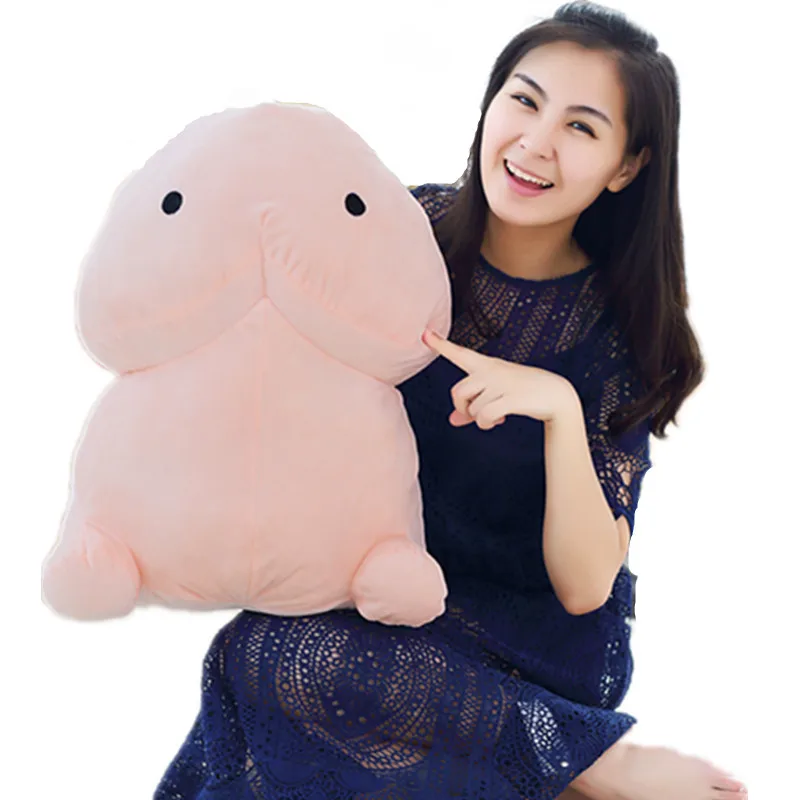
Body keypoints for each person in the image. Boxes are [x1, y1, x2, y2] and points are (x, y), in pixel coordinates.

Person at [156, 3, 748, 798]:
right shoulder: (398, 231)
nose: (536, 143)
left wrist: (559, 409)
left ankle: (592, 757)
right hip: (383, 594)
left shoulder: (622, 331)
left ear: (625, 166)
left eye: (581, 127)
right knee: (254, 650)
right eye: (525, 101)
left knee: (301, 664)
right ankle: (559, 775)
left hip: (528, 640)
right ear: (491, 102)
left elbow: (584, 588)